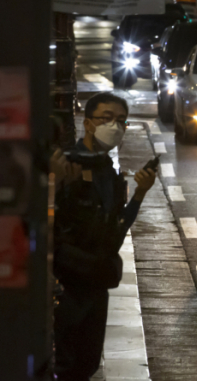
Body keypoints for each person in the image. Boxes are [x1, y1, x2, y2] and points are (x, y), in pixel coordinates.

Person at [53, 93, 156, 381]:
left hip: (96, 279)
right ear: (87, 123)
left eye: (121, 121)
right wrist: (61, 186)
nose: (115, 126)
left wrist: (138, 195)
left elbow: (115, 233)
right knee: (65, 362)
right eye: (106, 118)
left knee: (87, 363)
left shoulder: (107, 172)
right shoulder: (65, 166)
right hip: (67, 282)